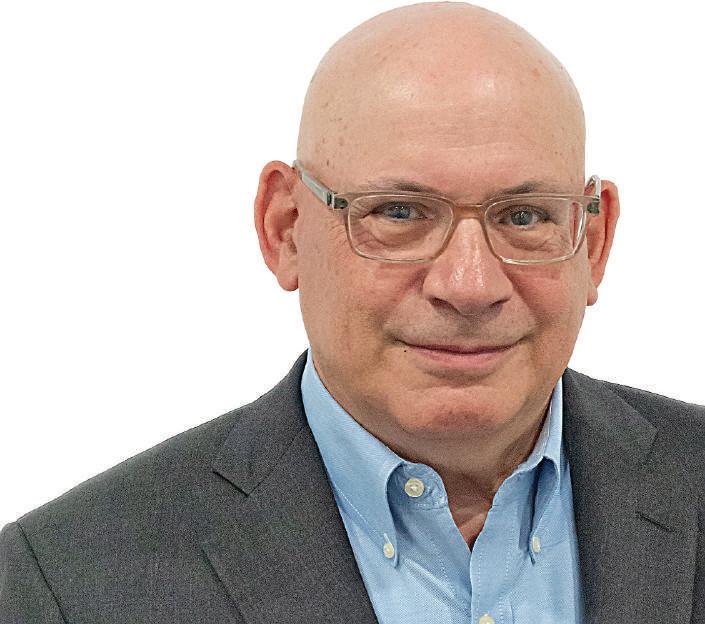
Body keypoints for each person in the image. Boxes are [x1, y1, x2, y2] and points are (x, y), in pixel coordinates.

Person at [1, 2, 703, 622]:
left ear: (594, 242)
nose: (469, 285)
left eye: (524, 216)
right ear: (284, 230)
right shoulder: (63, 585)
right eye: (398, 213)